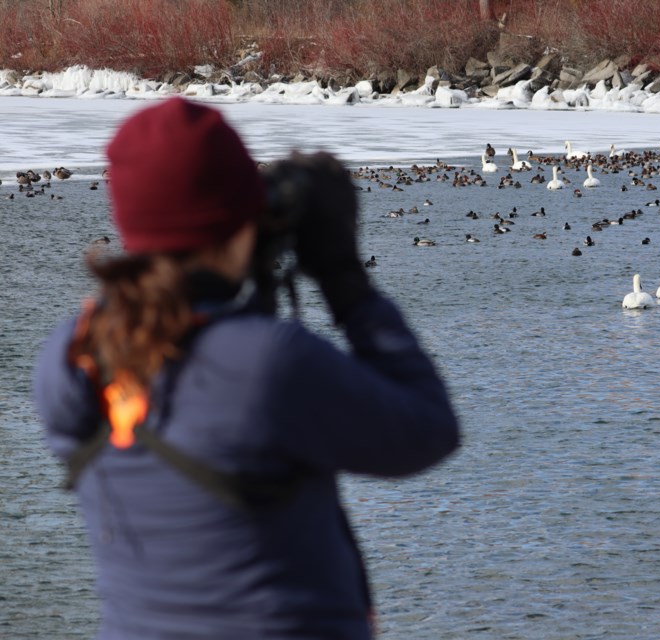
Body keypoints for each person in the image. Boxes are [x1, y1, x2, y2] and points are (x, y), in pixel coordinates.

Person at [33, 97, 460, 639]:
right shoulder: (269, 362)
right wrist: (346, 283)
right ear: (237, 222)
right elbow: (428, 430)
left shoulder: (71, 357)